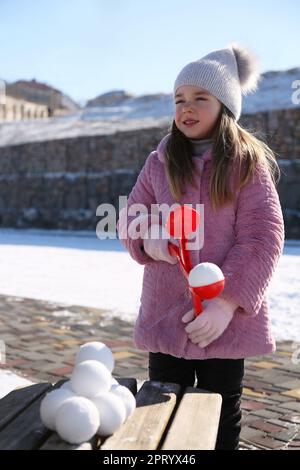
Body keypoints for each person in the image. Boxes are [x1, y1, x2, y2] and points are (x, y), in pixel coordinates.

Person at [117, 43, 285, 450]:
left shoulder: (245, 164)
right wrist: (148, 238)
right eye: (179, 99)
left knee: (219, 414)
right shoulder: (159, 161)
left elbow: (263, 235)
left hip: (223, 323)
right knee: (158, 408)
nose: (186, 107)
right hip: (166, 313)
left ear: (225, 105)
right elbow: (132, 215)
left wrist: (226, 303)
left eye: (200, 98)